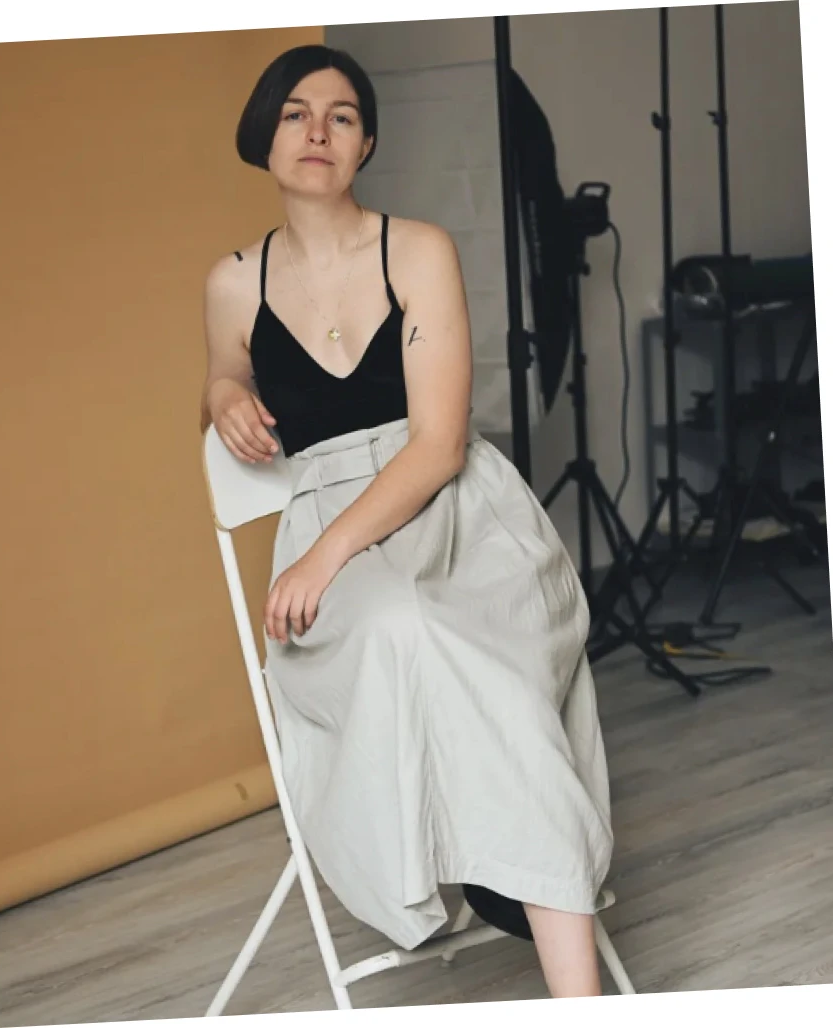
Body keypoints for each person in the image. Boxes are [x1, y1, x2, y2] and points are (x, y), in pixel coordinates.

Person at [200, 44, 614, 1000]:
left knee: (472, 651)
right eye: (296, 113)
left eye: (341, 116)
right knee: (398, 627)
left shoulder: (418, 249)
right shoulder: (231, 281)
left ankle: (574, 990)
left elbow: (437, 444)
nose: (317, 131)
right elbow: (222, 369)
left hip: (456, 512)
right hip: (330, 528)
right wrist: (222, 390)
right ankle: (504, 875)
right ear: (264, 135)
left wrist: (323, 558)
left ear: (367, 144)